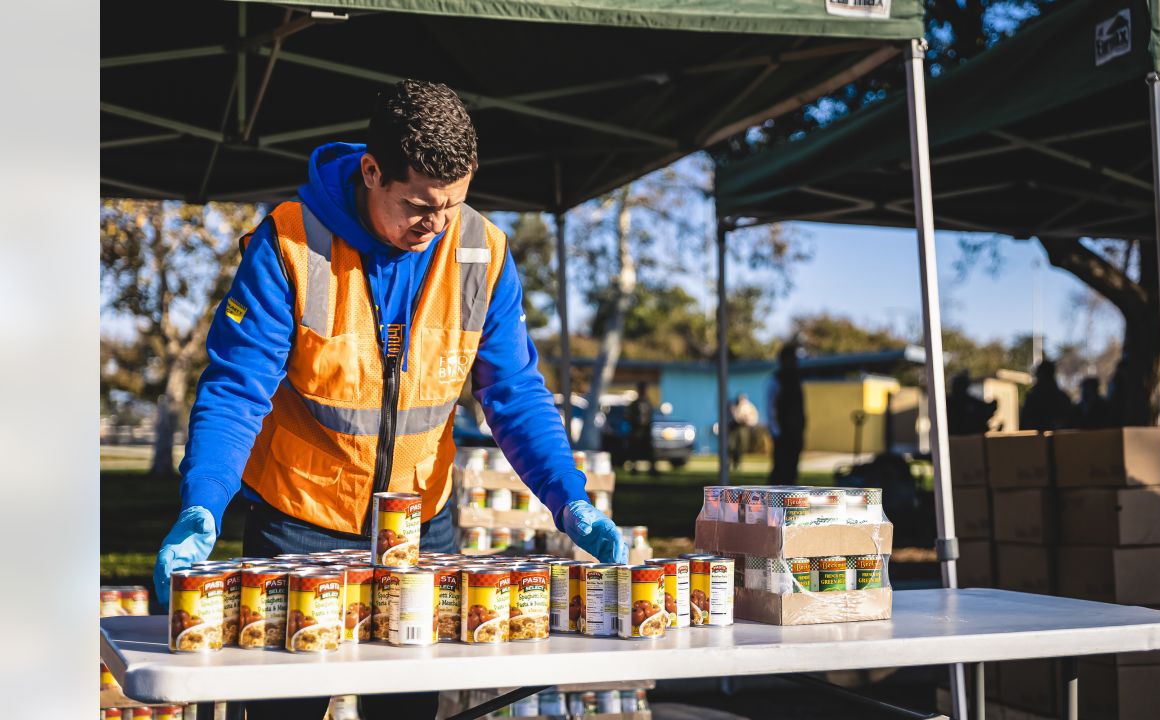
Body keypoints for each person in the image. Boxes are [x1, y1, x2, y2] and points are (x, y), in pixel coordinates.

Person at [151, 81, 626, 719]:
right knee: (280, 709)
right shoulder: (288, 244)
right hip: (297, 523)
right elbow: (236, 386)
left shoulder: (482, 251)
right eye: (419, 205)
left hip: (418, 527)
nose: (435, 225)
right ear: (372, 172)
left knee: (404, 708)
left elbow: (513, 394)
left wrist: (569, 497)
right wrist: (204, 502)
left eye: (453, 205)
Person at [766, 343, 805, 484]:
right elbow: (770, 407)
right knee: (780, 469)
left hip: (796, 432)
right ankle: (771, 502)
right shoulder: (776, 380)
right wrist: (776, 431)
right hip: (783, 433)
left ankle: (789, 501)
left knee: (792, 471)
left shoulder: (796, 380)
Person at [1021, 359, 1074, 431]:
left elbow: (1024, 424)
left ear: (1039, 375)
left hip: (1036, 441)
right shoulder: (1062, 398)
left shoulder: (1033, 398)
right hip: (1061, 441)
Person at [946, 370, 997, 435]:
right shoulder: (950, 402)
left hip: (973, 438)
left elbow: (986, 411)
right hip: (959, 438)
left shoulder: (970, 402)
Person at [627, 382, 656, 474]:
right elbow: (629, 415)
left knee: (649, 450)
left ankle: (652, 469)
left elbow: (650, 416)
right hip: (636, 430)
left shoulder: (647, 402)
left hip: (646, 430)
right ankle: (634, 468)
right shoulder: (635, 403)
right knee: (635, 450)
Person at [728, 393, 759, 471]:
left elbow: (754, 417)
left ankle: (738, 463)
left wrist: (747, 420)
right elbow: (735, 417)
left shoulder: (749, 407)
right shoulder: (734, 406)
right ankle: (729, 463)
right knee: (731, 445)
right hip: (734, 427)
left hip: (744, 427)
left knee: (742, 446)